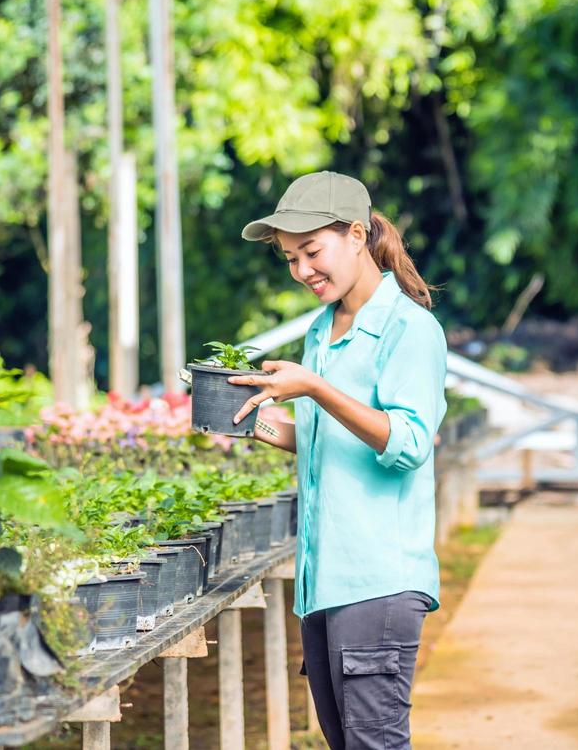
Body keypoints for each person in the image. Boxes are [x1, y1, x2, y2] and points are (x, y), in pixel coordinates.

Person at [228, 170, 447, 750]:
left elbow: (409, 443)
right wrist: (252, 422)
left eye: (312, 251)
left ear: (356, 234)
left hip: (377, 583)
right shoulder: (323, 331)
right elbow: (329, 436)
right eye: (290, 259)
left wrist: (317, 389)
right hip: (323, 583)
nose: (302, 271)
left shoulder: (409, 329)